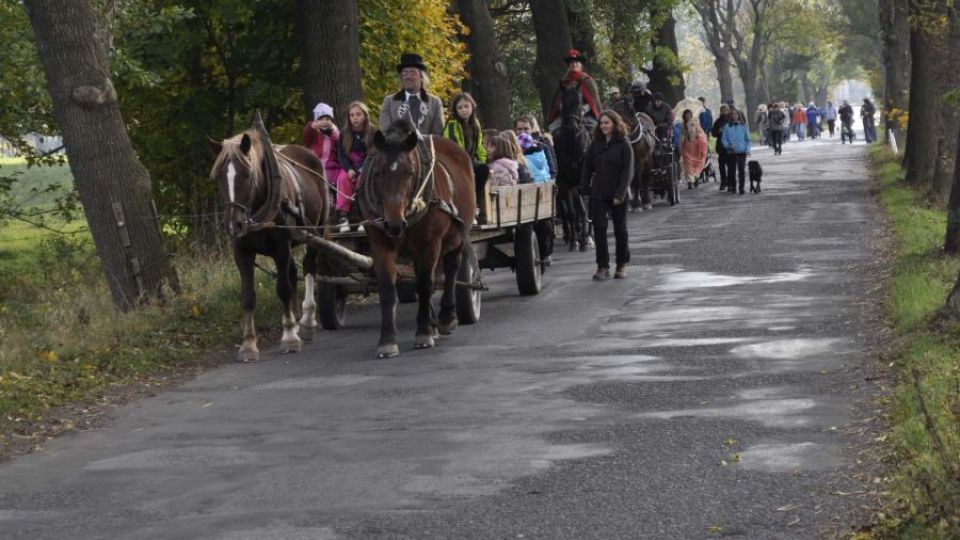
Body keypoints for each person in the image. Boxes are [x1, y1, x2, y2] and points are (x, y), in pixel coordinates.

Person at [580, 110, 633, 281]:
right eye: (601, 123)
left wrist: (620, 194)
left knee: (620, 229)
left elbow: (628, 171)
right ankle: (602, 266)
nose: (603, 126)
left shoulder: (624, 144)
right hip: (599, 193)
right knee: (600, 228)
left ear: (615, 124)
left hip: (618, 193)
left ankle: (621, 264)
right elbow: (587, 168)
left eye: (607, 123)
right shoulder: (595, 145)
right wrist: (584, 190)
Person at [303, 102, 347, 227]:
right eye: (321, 119)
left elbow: (339, 145)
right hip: (314, 165)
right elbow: (306, 136)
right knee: (318, 181)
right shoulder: (314, 133)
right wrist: (312, 126)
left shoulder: (335, 133)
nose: (324, 122)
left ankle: (334, 208)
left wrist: (333, 131)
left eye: (327, 119)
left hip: (331, 166)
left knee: (336, 180)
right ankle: (321, 206)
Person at [379, 53, 444, 136]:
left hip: (425, 147)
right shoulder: (389, 101)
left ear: (421, 77)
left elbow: (438, 133)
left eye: (413, 73)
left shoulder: (435, 102)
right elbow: (385, 132)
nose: (408, 76)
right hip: (398, 147)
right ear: (401, 78)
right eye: (405, 73)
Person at [336, 101, 376, 232]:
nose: (355, 118)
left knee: (362, 181)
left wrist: (361, 170)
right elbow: (341, 156)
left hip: (367, 166)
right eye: (352, 115)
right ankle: (343, 217)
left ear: (365, 116)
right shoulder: (344, 133)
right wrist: (348, 170)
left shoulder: (373, 132)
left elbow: (373, 154)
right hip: (350, 166)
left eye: (358, 114)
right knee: (342, 179)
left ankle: (363, 217)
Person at [443, 92, 489, 206]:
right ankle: (471, 199)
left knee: (484, 169)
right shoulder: (453, 124)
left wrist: (482, 160)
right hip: (455, 160)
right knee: (478, 170)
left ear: (472, 107)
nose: (463, 110)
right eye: (460, 108)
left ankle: (475, 198)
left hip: (469, 160)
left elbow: (479, 146)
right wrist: (469, 162)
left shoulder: (475, 124)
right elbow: (455, 148)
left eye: (466, 106)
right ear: (456, 110)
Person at [545, 49, 602, 131]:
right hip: (566, 115)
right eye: (572, 62)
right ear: (569, 65)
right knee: (552, 128)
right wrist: (564, 110)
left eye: (576, 62)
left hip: (585, 115)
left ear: (581, 64)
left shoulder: (587, 80)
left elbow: (593, 102)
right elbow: (558, 102)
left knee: (596, 128)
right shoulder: (564, 81)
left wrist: (583, 110)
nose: (574, 64)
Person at [515, 114, 557, 179]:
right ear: (515, 130)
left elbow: (553, 169)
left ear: (531, 129)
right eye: (519, 129)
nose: (523, 132)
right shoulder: (511, 147)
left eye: (526, 129)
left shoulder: (543, 145)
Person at [721, 108, 751, 195]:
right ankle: (734, 187)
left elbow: (748, 140)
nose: (734, 115)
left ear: (739, 115)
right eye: (733, 114)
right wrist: (727, 145)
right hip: (731, 152)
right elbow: (724, 139)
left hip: (742, 152)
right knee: (731, 171)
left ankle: (741, 188)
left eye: (736, 114)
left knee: (741, 170)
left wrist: (747, 150)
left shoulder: (743, 126)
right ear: (731, 116)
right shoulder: (727, 127)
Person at [680, 109, 708, 190]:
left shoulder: (695, 123)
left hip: (695, 146)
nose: (687, 116)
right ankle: (690, 181)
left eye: (689, 114)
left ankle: (696, 177)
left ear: (691, 115)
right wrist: (680, 144)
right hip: (687, 146)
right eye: (686, 115)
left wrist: (698, 136)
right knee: (688, 164)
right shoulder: (683, 124)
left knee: (695, 163)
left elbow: (700, 132)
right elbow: (681, 136)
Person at [711, 104, 732, 191]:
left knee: (731, 165)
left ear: (728, 111)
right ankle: (723, 181)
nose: (724, 112)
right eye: (722, 110)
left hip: (731, 145)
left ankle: (730, 182)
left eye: (725, 110)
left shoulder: (731, 120)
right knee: (721, 165)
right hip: (721, 146)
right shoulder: (718, 121)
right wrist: (718, 131)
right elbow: (713, 133)